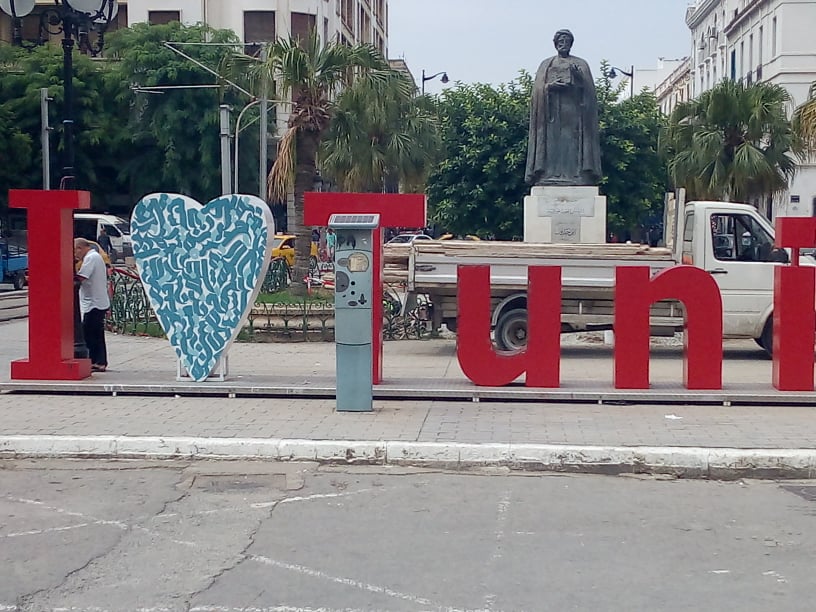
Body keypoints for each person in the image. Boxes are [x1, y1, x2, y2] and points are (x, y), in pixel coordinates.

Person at [525, 29, 602, 187]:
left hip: (574, 113)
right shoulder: (546, 64)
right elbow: (537, 91)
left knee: (572, 143)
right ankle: (549, 174)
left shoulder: (581, 64)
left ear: (571, 44)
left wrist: (578, 78)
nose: (563, 44)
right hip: (551, 114)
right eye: (560, 41)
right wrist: (549, 87)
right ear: (555, 44)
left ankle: (577, 175)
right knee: (552, 144)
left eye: (567, 41)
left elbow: (589, 93)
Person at [74, 237, 110, 372]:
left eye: (75, 251)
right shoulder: (95, 256)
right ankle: (98, 360)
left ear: (80, 248)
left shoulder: (91, 258)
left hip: (94, 303)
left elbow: (82, 277)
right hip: (96, 301)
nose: (75, 254)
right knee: (95, 333)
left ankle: (98, 361)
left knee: (91, 333)